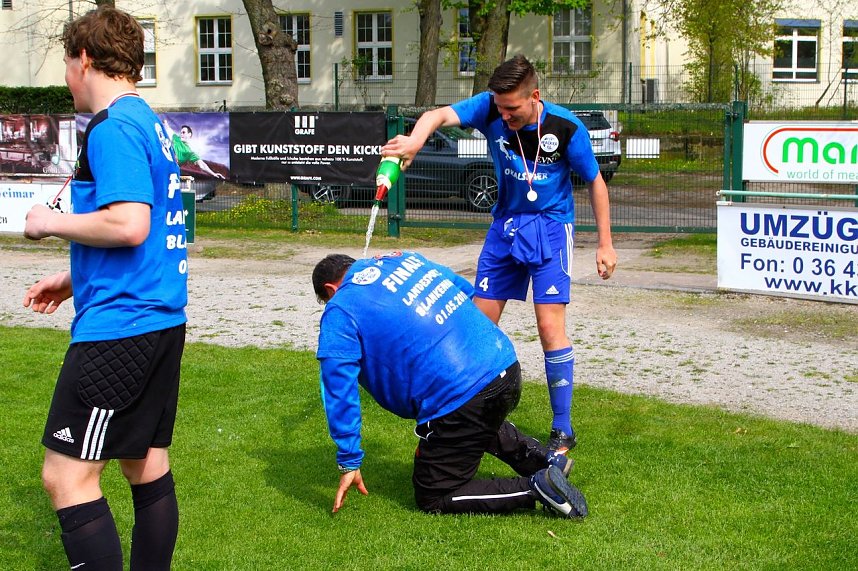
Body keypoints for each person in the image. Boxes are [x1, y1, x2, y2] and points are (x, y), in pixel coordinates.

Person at [382, 55, 618, 452]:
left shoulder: (566, 127)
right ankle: (461, 413)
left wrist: (606, 243)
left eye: (512, 109)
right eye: (500, 107)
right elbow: (435, 116)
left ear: (534, 96)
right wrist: (416, 140)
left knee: (548, 328)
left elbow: (595, 182)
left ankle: (562, 427)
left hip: (550, 230)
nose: (504, 115)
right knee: (477, 325)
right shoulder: (490, 107)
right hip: (504, 229)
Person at [22, 7, 188, 570]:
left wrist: (47, 223)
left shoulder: (113, 127)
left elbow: (129, 224)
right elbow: (153, 231)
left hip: (122, 329)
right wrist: (73, 280)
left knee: (66, 476)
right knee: (145, 462)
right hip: (159, 319)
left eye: (67, 63)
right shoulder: (150, 122)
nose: (66, 76)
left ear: (84, 58)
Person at [313, 251, 588, 518]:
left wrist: (349, 459)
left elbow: (339, 389)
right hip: (505, 365)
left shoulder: (340, 308)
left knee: (434, 493)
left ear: (330, 289)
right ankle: (547, 460)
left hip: (465, 395)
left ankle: (537, 489)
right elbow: (464, 291)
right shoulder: (404, 260)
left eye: (325, 301)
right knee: (468, 422)